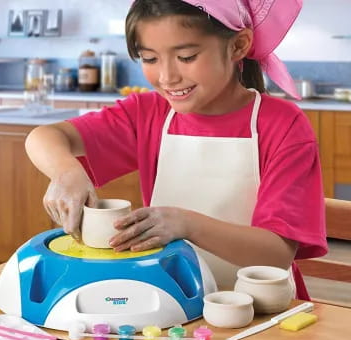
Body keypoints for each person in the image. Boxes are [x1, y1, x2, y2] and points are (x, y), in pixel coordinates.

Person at [25, 0, 327, 300]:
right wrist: (66, 172)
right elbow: (45, 136)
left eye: (186, 56)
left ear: (238, 45)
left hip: (262, 310)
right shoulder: (147, 114)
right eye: (150, 59)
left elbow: (276, 255)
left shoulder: (283, 125)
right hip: (175, 305)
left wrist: (187, 224)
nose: (167, 77)